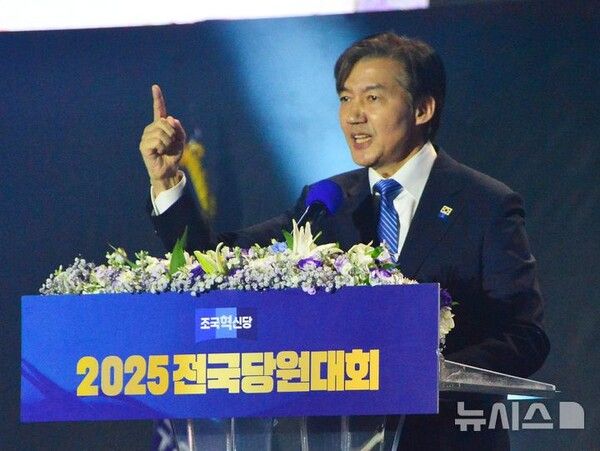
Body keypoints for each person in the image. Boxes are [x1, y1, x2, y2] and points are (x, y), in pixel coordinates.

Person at [140, 32, 549, 450]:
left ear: (422, 108)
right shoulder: (325, 202)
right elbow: (212, 262)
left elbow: (524, 337)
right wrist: (168, 181)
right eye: (345, 98)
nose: (353, 115)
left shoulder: (484, 204)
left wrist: (426, 373)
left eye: (372, 98)